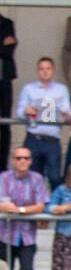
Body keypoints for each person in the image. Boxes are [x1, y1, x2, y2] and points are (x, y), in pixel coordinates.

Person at [0, 146, 51, 270]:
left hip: (27, 236)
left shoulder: (37, 179)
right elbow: (2, 204)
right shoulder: (4, 177)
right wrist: (10, 208)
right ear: (13, 160)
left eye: (26, 158)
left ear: (30, 160)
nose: (22, 161)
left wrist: (19, 211)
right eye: (19, 158)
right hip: (5, 235)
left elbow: (41, 205)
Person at [15, 57, 71, 191]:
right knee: (33, 177)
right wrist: (25, 110)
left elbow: (68, 114)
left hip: (52, 141)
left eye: (48, 69)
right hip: (33, 138)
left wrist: (65, 115)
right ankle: (34, 209)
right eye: (41, 69)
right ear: (37, 71)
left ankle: (54, 207)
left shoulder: (61, 89)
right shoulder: (28, 89)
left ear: (53, 71)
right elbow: (18, 112)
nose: (45, 72)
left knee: (55, 177)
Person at [0, 11, 15, 167]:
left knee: (5, 124)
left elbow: (8, 51)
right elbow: (3, 49)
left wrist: (5, 47)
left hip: (4, 80)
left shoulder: (7, 23)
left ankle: (2, 165)